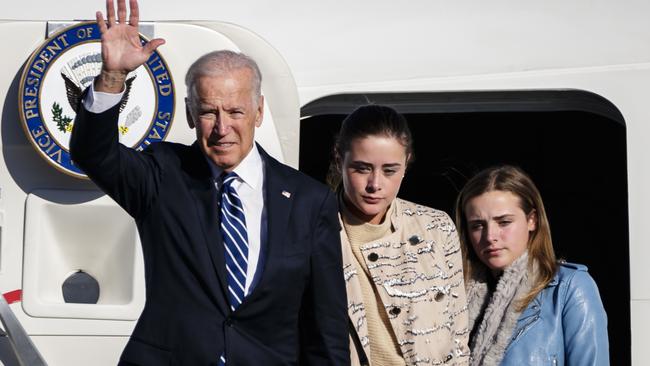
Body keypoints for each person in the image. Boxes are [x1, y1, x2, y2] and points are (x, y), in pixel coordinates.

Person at [69, 0, 349, 364]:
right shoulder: (163, 176)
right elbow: (94, 154)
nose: (222, 128)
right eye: (208, 112)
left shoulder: (309, 201)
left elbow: (325, 329)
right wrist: (112, 78)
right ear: (190, 113)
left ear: (259, 111)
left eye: (235, 112)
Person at [328, 105, 469, 365]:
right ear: (339, 160)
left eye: (390, 170)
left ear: (407, 163)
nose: (375, 184)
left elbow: (458, 337)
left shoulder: (435, 228)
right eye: (362, 168)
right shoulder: (314, 229)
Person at [454, 165, 609, 365]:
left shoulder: (569, 287)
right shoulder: (455, 295)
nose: (490, 236)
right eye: (477, 225)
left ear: (532, 220)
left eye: (504, 222)